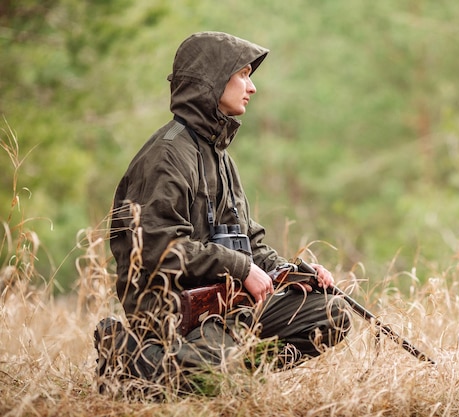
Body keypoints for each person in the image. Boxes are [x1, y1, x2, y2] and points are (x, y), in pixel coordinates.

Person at [94, 31, 351, 395]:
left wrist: (294, 272)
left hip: (227, 303)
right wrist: (239, 267)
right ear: (212, 80)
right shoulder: (167, 156)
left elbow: (250, 244)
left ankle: (211, 370)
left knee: (330, 314)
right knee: (219, 378)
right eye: (243, 75)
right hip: (171, 309)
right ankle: (129, 359)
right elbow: (158, 250)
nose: (252, 87)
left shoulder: (220, 156)